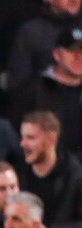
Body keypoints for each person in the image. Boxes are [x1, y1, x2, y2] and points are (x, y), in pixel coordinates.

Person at [17, 111, 82, 228]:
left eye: (31, 138)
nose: (23, 144)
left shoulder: (75, 175)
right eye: (23, 137)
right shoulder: (18, 171)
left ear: (51, 140)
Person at [10, 26, 82, 160]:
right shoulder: (32, 90)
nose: (78, 57)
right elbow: (16, 136)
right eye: (72, 50)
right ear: (57, 54)